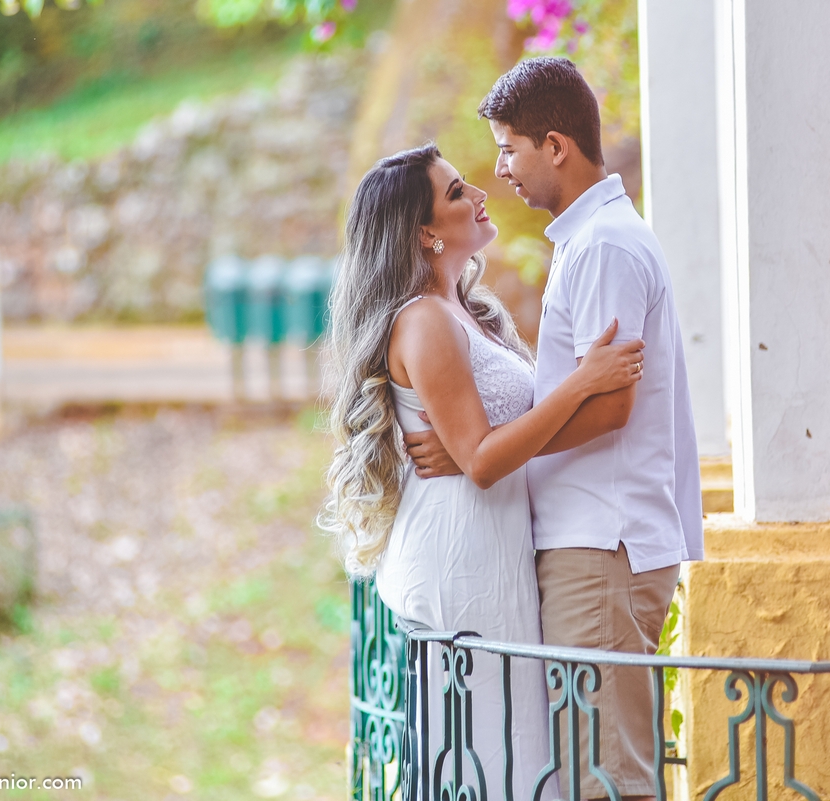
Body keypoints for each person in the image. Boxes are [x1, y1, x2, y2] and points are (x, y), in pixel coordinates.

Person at [405, 57, 704, 801]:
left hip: (601, 543)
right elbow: (576, 394)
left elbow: (608, 405)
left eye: (509, 148)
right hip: (589, 541)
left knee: (608, 778)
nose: (500, 168)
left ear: (556, 146)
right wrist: (479, 442)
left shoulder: (601, 245)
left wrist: (485, 453)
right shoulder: (588, 239)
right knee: (593, 767)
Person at [320, 143, 645, 800]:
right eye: (458, 193)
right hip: (456, 562)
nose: (480, 196)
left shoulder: (468, 314)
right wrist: (582, 382)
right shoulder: (423, 321)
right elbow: (484, 460)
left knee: (510, 753)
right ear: (425, 232)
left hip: (490, 551)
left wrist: (483, 448)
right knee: (482, 759)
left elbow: (484, 447)